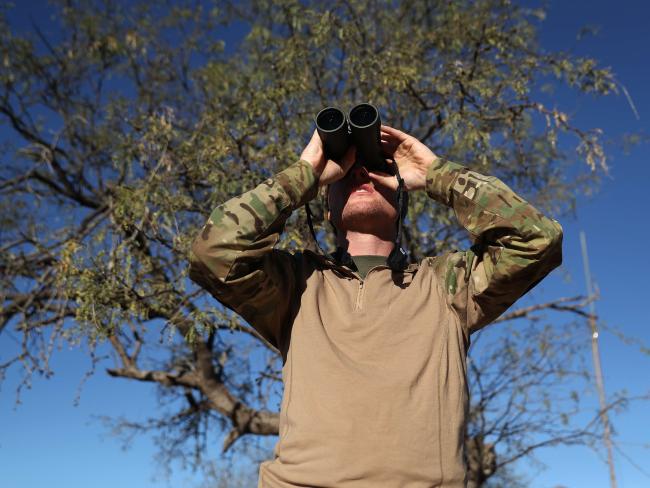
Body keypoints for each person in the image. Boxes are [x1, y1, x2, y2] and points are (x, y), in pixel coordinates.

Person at [188, 123, 563, 488]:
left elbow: (537, 241)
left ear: (401, 201)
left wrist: (436, 174)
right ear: (328, 210)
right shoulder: (296, 284)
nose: (361, 175)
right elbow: (214, 251)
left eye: (377, 168)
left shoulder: (447, 286)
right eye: (347, 173)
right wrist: (304, 175)